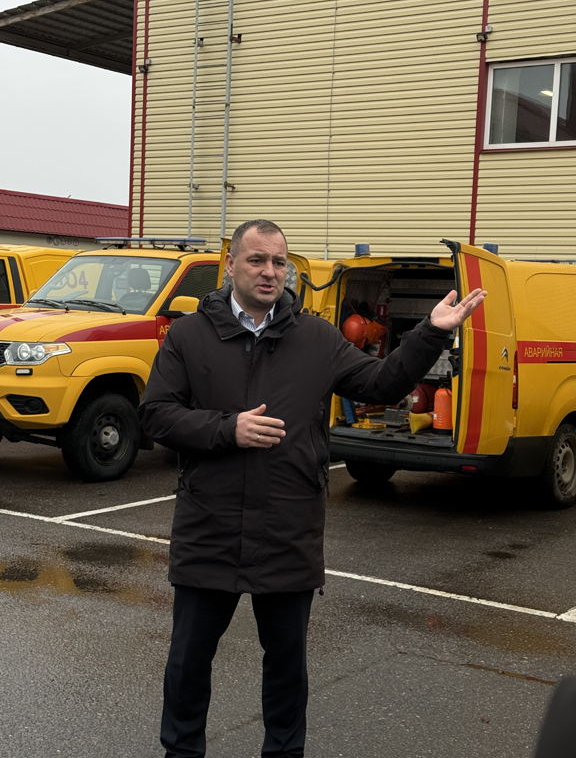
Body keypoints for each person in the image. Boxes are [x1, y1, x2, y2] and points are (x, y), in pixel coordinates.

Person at [138, 219, 486, 758]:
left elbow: (380, 384)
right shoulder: (189, 336)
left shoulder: (316, 338)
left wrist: (431, 332)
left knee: (286, 669)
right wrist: (227, 429)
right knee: (187, 662)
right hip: (209, 528)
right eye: (256, 260)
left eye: (279, 262)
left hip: (287, 531)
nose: (269, 272)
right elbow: (156, 415)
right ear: (230, 265)